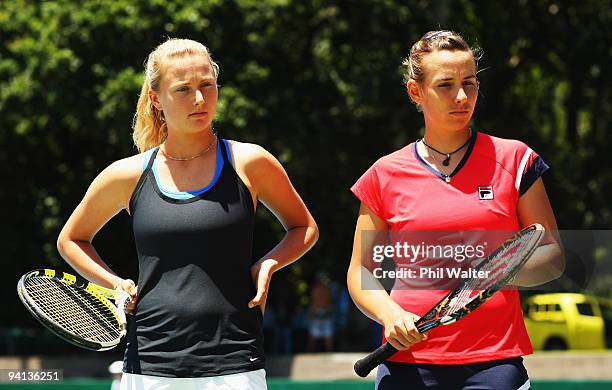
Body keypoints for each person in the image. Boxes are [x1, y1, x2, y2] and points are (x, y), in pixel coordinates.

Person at [57, 38, 318, 390]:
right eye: (183, 89)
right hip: (148, 366)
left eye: (206, 85)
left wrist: (269, 263)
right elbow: (71, 239)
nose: (199, 99)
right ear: (155, 99)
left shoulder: (250, 162)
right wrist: (116, 284)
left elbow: (303, 227)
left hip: (236, 363)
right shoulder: (127, 174)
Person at [346, 30, 565, 390]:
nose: (462, 97)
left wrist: (495, 275)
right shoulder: (384, 174)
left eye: (470, 83)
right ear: (415, 92)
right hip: (407, 365)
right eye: (445, 85)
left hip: (495, 363)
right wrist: (390, 314)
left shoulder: (516, 159)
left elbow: (553, 255)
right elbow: (361, 271)